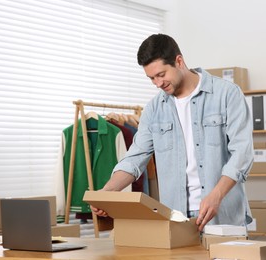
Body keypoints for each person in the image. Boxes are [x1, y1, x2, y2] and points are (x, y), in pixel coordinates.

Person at [91, 33, 254, 231]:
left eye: (161, 75)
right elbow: (135, 158)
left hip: (224, 215)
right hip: (175, 218)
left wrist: (215, 196)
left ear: (179, 61)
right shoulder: (153, 109)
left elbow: (242, 153)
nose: (158, 84)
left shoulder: (227, 94)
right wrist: (108, 192)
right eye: (151, 78)